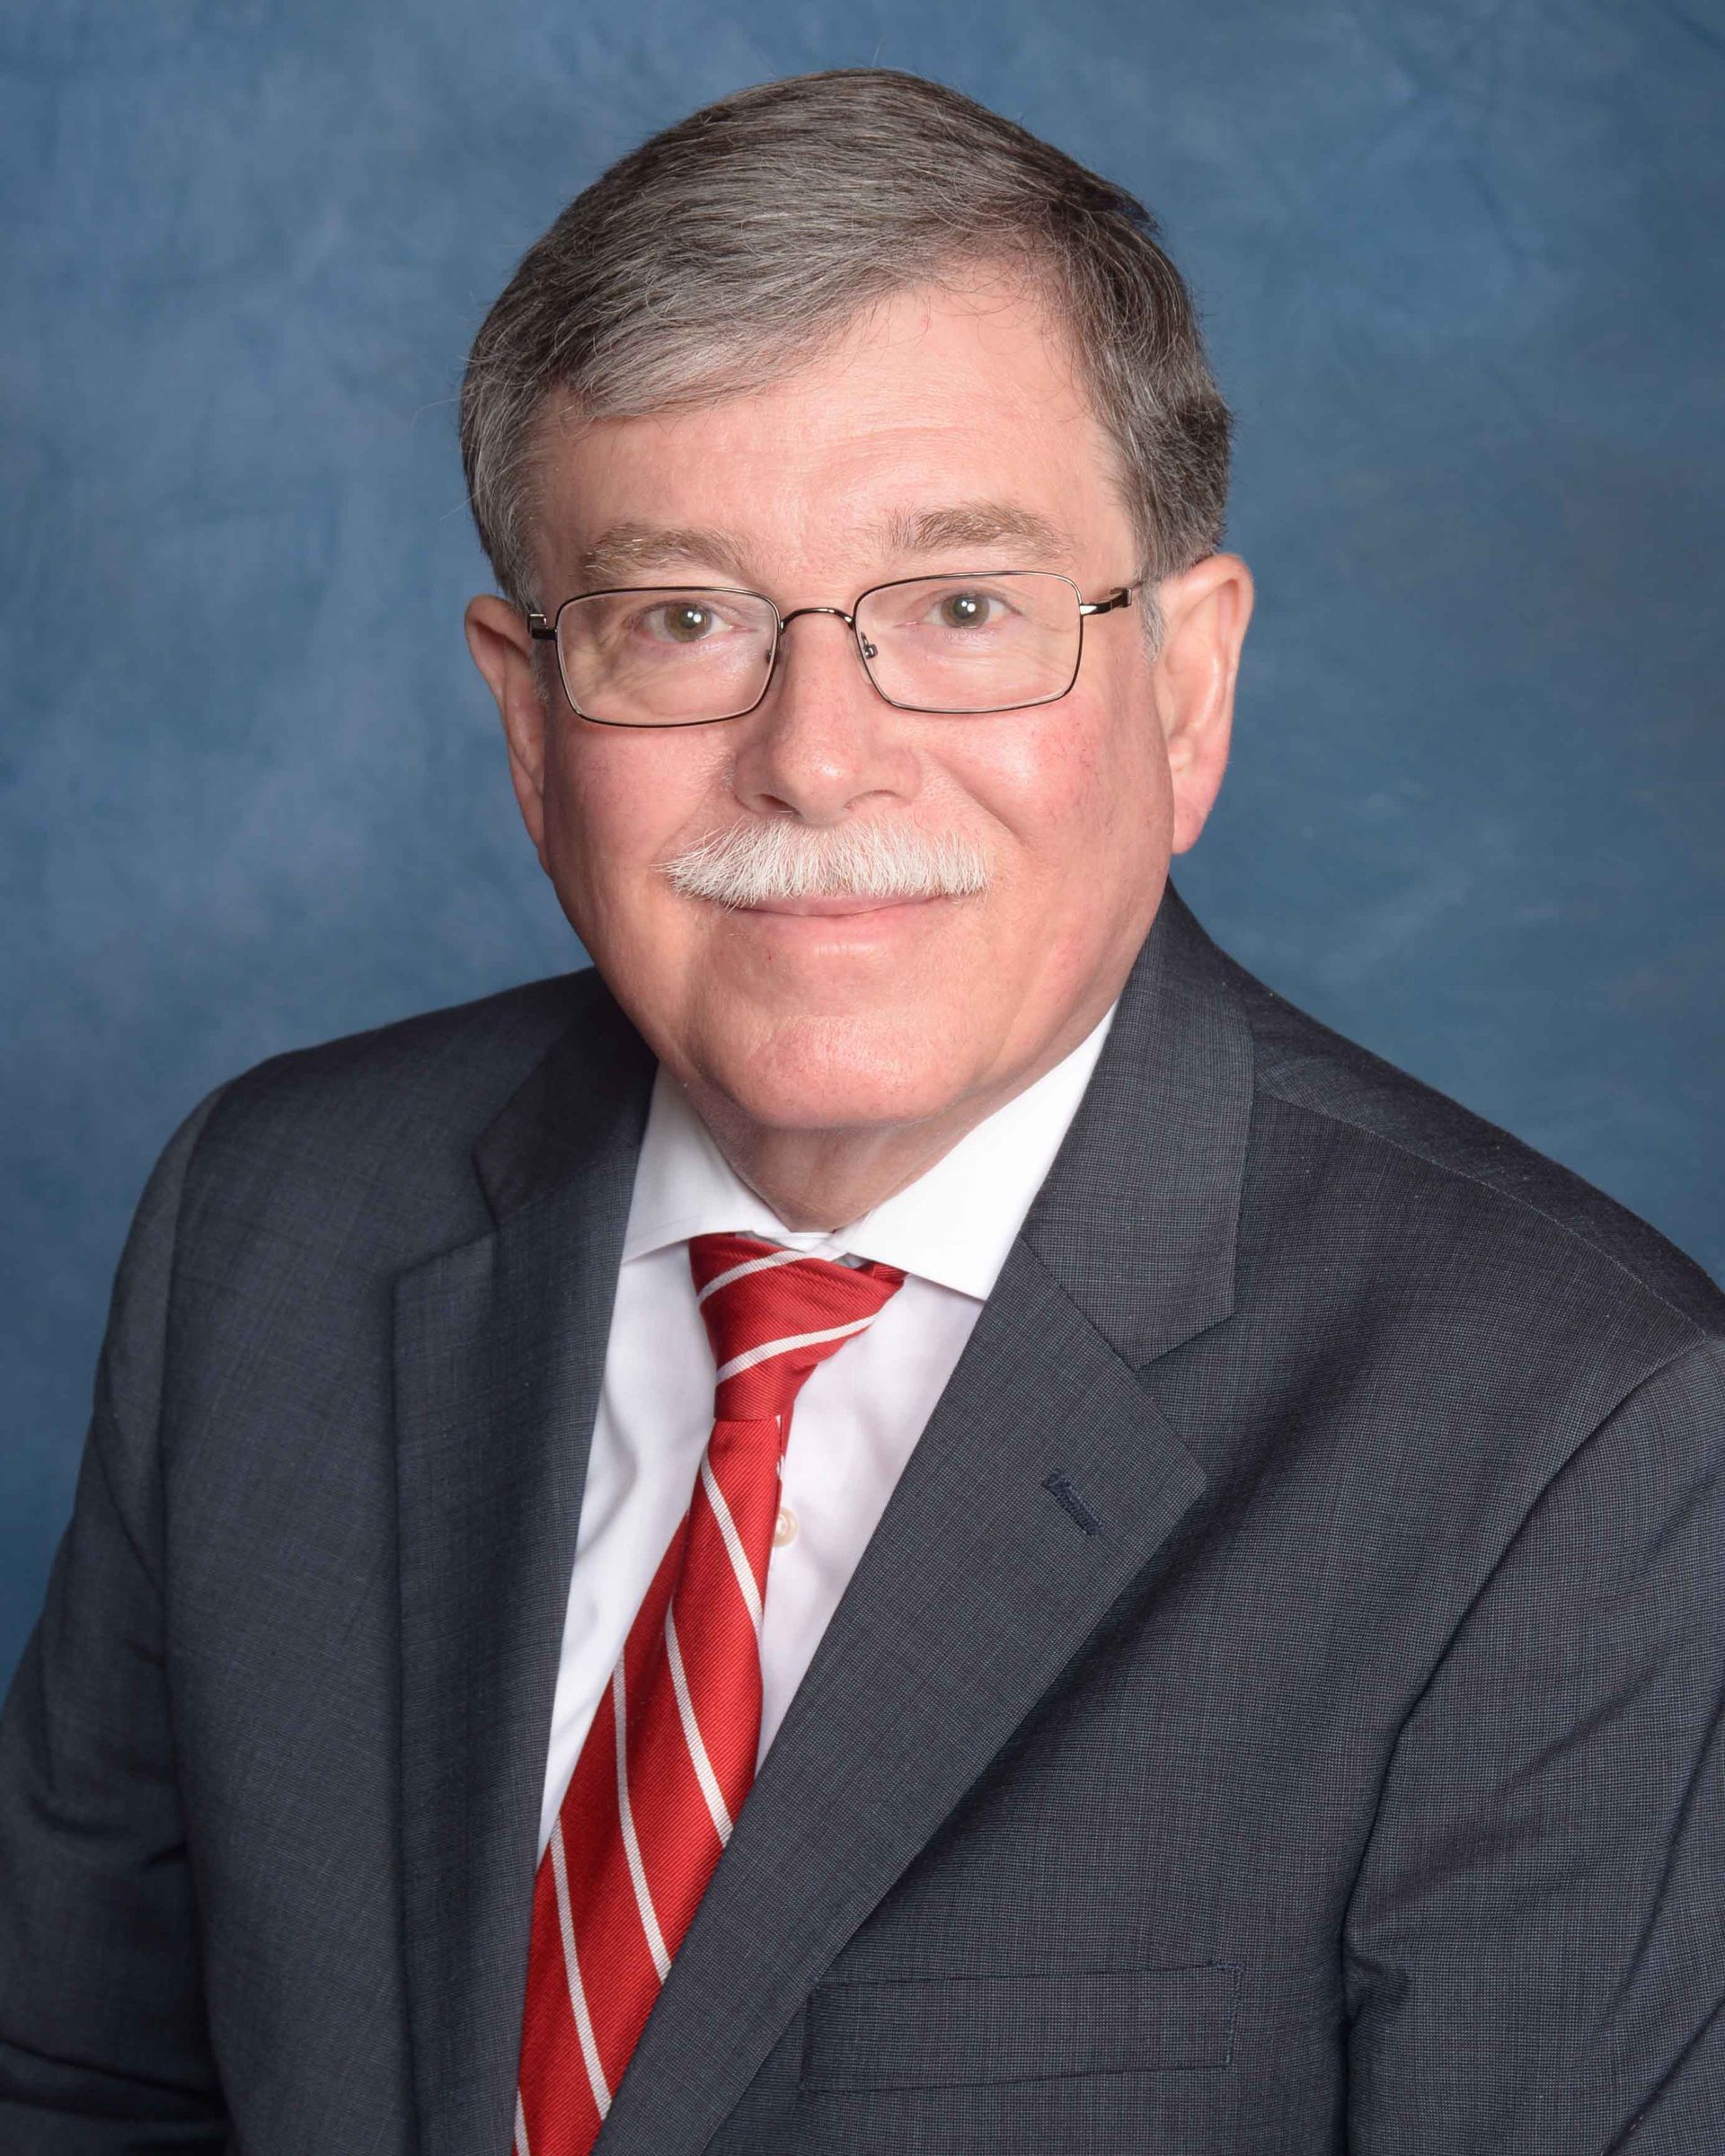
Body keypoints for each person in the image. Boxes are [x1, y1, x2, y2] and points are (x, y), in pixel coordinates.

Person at [2, 66, 1721, 2156]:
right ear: (529, 724)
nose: (817, 761)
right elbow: (78, 2086)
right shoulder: (271, 1221)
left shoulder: (1571, 1441)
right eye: (681, 620)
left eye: (962, 610)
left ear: (1186, 691)